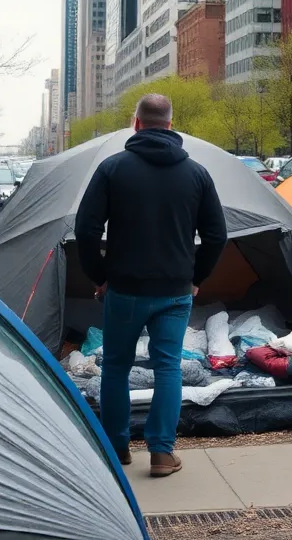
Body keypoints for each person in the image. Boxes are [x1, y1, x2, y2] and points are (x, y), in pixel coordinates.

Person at [74, 94, 228, 476]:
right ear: (171, 126)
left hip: (124, 289)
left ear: (136, 123)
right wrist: (196, 278)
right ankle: (161, 453)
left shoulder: (112, 169)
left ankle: (116, 449)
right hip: (175, 292)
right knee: (168, 369)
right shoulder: (197, 174)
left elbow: (86, 229)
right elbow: (217, 235)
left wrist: (100, 277)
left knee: (115, 369)